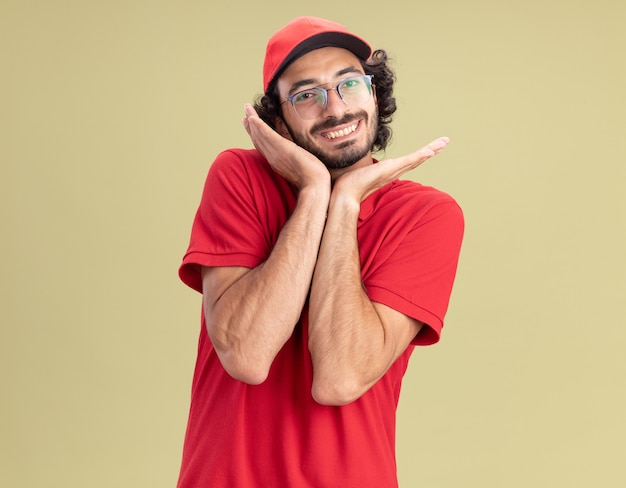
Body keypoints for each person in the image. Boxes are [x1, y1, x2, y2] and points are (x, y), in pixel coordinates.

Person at [176, 16, 464, 488]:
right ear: (277, 121)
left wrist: (346, 202)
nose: (335, 108)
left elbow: (340, 379)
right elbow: (245, 355)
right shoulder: (239, 176)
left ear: (375, 94)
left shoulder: (426, 215)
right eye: (306, 94)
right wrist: (315, 192)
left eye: (350, 84)